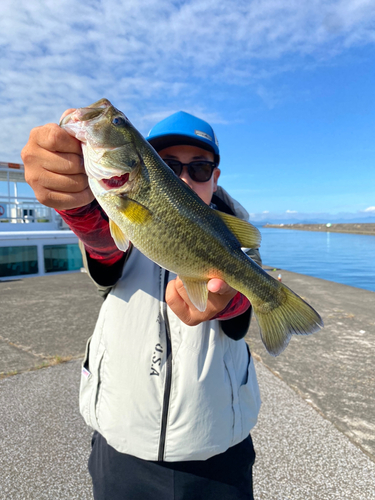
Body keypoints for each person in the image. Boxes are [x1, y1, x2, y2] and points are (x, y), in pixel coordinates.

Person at [21, 109, 262, 500]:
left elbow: (238, 321)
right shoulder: (124, 224)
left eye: (199, 168)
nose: (184, 177)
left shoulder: (237, 239)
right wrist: (75, 201)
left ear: (215, 178)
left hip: (220, 454)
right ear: (149, 167)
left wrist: (226, 300)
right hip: (121, 450)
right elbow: (101, 245)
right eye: (169, 166)